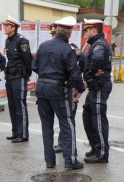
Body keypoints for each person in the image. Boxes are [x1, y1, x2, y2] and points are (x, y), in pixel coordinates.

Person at [32, 16, 85, 169]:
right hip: (59, 91)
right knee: (67, 124)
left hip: (41, 90)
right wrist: (80, 89)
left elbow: (35, 67)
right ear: (69, 34)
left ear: (56, 32)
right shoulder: (67, 50)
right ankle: (71, 161)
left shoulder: (43, 46)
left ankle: (49, 161)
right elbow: (75, 74)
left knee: (46, 126)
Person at [50, 24, 86, 153]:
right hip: (56, 88)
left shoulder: (71, 47)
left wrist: (76, 74)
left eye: (55, 34)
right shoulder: (51, 46)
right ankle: (62, 143)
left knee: (68, 118)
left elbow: (82, 61)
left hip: (68, 87)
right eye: (52, 34)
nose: (53, 36)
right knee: (63, 118)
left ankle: (67, 145)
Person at [82, 19, 112, 164]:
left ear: (93, 30)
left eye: (86, 30)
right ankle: (96, 147)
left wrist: (90, 74)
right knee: (87, 115)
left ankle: (101, 153)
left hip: (100, 85)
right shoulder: (95, 44)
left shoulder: (98, 44)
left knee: (98, 118)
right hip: (95, 86)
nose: (85, 34)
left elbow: (98, 58)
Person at [3, 15, 32, 143]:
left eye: (7, 26)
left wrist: (27, 74)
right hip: (10, 76)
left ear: (13, 27)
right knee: (12, 105)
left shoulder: (22, 40)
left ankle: (23, 134)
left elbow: (28, 59)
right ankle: (16, 132)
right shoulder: (8, 41)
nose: (5, 27)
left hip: (19, 76)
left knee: (20, 105)